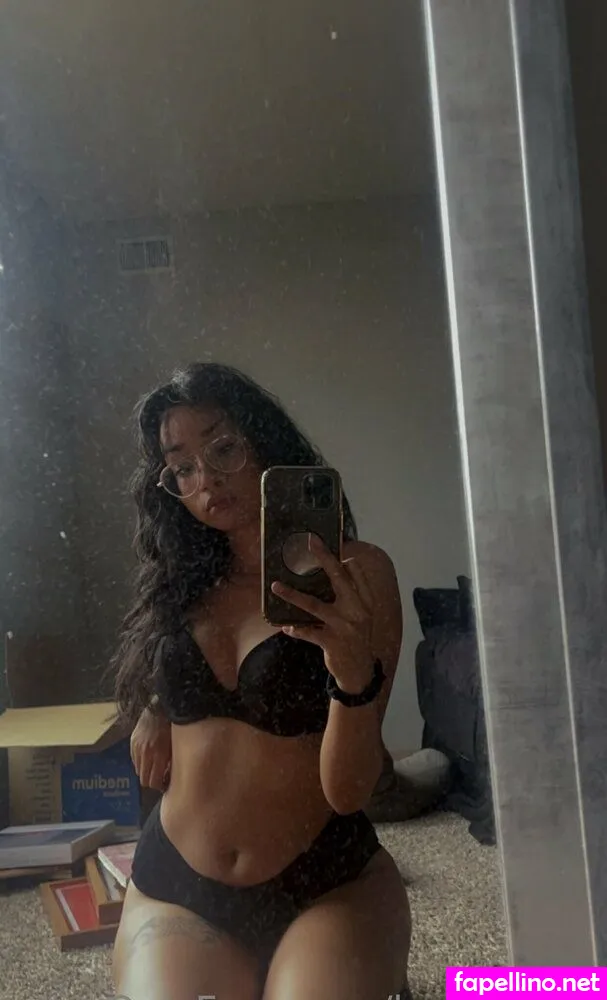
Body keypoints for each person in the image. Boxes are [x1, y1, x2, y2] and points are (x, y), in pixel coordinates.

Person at [110, 362, 412, 1000]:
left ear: (266, 441)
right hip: (177, 884)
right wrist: (160, 703)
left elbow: (350, 790)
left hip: (323, 882)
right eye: (182, 468)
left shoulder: (354, 575)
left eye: (223, 448)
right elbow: (192, 675)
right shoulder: (183, 578)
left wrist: (350, 669)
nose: (207, 480)